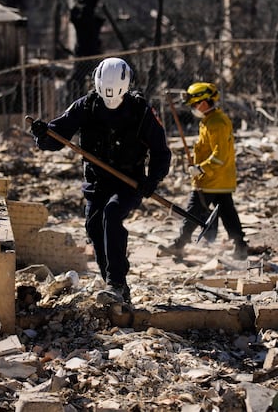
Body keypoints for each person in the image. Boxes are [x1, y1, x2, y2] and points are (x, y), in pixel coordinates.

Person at [30, 57, 172, 305]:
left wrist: (153, 180)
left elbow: (161, 151)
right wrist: (43, 135)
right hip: (97, 182)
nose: (109, 105)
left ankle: (115, 283)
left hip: (129, 182)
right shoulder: (86, 106)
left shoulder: (141, 111)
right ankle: (115, 284)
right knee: (95, 228)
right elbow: (57, 137)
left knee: (112, 213)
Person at [159, 82, 248, 260]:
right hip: (215, 179)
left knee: (192, 211)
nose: (192, 108)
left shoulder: (217, 123)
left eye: (194, 104)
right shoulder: (208, 121)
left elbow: (219, 155)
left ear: (204, 103)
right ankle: (241, 247)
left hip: (212, 179)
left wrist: (201, 169)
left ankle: (179, 245)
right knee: (227, 212)